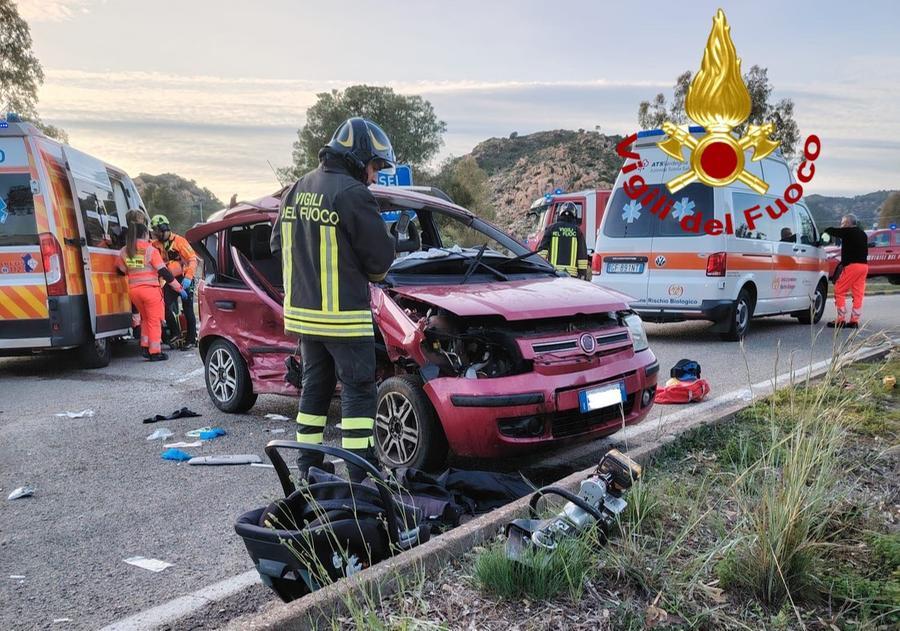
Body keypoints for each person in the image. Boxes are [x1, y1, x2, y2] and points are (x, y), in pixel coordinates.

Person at [270, 117, 396, 482]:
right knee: (359, 393)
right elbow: (379, 263)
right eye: (374, 166)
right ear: (358, 158)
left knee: (314, 391)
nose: (373, 176)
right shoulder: (353, 194)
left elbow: (279, 246)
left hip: (304, 319)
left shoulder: (295, 189)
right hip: (343, 317)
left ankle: (308, 470)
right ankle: (359, 476)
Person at [117, 210, 186, 361]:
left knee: (146, 320)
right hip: (150, 291)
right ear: (144, 235)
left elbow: (121, 271)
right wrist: (179, 288)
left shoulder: (125, 251)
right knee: (154, 321)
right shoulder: (150, 250)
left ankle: (145, 347)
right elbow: (165, 272)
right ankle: (155, 352)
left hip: (134, 292)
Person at [150, 215, 199, 349]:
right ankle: (175, 332)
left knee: (188, 308)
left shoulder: (180, 241)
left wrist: (188, 278)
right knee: (163, 305)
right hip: (170, 280)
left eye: (156, 230)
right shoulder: (155, 245)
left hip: (185, 278)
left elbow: (193, 260)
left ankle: (191, 339)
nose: (155, 233)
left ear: (163, 228)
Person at [824, 213, 869, 329]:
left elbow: (831, 231)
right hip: (863, 266)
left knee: (839, 289)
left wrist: (825, 231)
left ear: (848, 223)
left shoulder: (848, 232)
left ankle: (840, 319)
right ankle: (854, 321)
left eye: (842, 223)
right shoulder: (862, 233)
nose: (841, 225)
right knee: (858, 293)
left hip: (852, 266)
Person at [536, 202, 591, 280]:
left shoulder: (551, 229)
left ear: (560, 214)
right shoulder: (577, 231)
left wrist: (539, 269)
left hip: (554, 273)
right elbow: (582, 255)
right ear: (575, 215)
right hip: (572, 275)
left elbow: (542, 252)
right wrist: (582, 274)